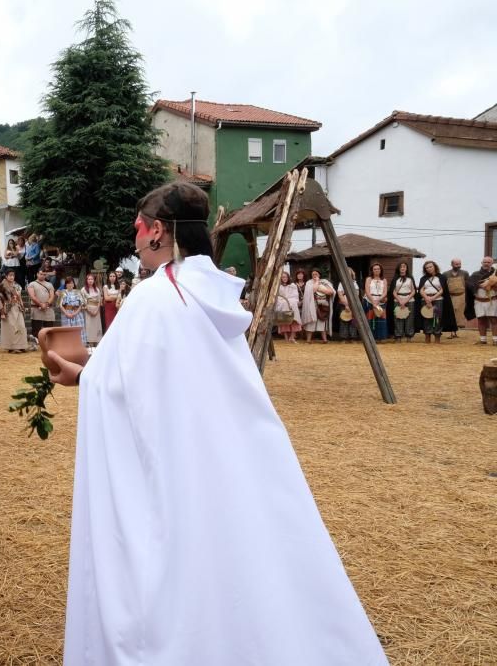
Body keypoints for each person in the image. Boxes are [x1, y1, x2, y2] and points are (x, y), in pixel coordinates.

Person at [44, 181, 387, 665]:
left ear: (158, 231)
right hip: (227, 458)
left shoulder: (153, 298)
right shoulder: (216, 295)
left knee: (177, 566)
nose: (135, 239)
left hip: (176, 466)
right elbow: (170, 379)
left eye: (138, 229)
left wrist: (82, 377)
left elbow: (125, 388)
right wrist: (94, 375)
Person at [417, 260, 455, 343]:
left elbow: (442, 290)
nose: (429, 269)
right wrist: (427, 298)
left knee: (437, 318)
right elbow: (421, 290)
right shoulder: (423, 278)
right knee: (427, 317)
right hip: (425, 300)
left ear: (434, 267)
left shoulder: (441, 277)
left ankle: (437, 336)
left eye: (430, 267)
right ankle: (427, 336)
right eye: (427, 268)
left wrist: (433, 298)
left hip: (438, 300)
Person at [0, 268, 28, 352]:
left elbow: (20, 297)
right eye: (10, 275)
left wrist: (22, 306)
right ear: (6, 276)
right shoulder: (1, 286)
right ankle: (11, 347)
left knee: (21, 326)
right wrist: (2, 311)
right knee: (10, 327)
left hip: (17, 307)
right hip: (7, 308)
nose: (11, 277)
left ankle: (21, 346)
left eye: (13, 275)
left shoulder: (17, 285)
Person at [468, 256, 496, 345]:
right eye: (485, 262)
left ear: (492, 264)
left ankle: (495, 340)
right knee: (481, 320)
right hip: (479, 300)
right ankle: (483, 340)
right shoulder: (475, 274)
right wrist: (480, 285)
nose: (486, 264)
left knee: (494, 320)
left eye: (488, 262)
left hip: (492, 300)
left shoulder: (495, 274)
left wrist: (491, 284)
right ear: (481, 263)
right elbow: (469, 285)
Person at [301, 268, 334, 343]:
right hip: (312, 305)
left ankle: (324, 339)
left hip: (323, 304)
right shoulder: (309, 282)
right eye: (313, 274)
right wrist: (316, 282)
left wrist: (320, 288)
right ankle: (308, 340)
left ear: (319, 274)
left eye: (316, 274)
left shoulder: (325, 282)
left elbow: (331, 292)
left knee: (322, 322)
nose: (314, 275)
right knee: (311, 322)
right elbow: (313, 290)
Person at [389, 261, 417, 342]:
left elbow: (413, 291)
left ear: (406, 268)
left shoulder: (410, 278)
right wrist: (400, 300)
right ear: (398, 269)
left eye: (404, 267)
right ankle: (398, 336)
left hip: (409, 300)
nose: (402, 268)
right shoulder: (395, 279)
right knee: (398, 317)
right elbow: (393, 291)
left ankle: (409, 336)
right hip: (398, 299)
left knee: (409, 318)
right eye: (401, 267)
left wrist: (406, 300)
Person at [444, 258, 472, 334]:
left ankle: (456, 331)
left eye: (459, 264)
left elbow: (467, 284)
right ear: (452, 264)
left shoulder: (465, 273)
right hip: (450, 296)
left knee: (459, 313)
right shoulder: (445, 274)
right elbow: (444, 286)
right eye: (456, 264)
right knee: (451, 313)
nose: (458, 266)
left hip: (461, 295)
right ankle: (452, 331)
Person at [27, 268, 56, 338]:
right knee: (36, 330)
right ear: (37, 274)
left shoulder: (49, 284)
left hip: (48, 309)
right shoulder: (32, 284)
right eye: (41, 274)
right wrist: (40, 304)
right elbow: (32, 296)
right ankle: (36, 345)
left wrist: (46, 304)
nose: (42, 276)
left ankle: (48, 344)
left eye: (44, 274)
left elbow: (52, 296)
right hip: (37, 309)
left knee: (49, 330)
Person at [363, 263, 388, 341]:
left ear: (381, 270)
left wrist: (379, 299)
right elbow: (367, 291)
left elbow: (385, 292)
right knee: (370, 319)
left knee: (381, 319)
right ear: (372, 270)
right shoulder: (369, 279)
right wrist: (373, 301)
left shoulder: (384, 280)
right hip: (369, 300)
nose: (377, 270)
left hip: (381, 301)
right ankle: (370, 338)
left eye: (378, 269)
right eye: (375, 269)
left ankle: (380, 338)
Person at [275, 270, 302, 342]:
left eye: (285, 277)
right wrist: (284, 301)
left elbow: (295, 296)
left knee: (294, 319)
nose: (284, 278)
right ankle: (286, 337)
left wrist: (289, 301)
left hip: (292, 304)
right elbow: (277, 297)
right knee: (284, 320)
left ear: (288, 277)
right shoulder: (278, 286)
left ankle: (292, 337)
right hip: (282, 304)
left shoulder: (293, 286)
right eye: (283, 277)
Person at [59, 275, 87, 344]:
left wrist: (75, 313)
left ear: (74, 284)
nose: (70, 285)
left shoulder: (78, 292)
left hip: (77, 314)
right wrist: (66, 313)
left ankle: (79, 345)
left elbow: (81, 304)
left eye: (71, 283)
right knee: (68, 331)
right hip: (66, 314)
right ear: (66, 284)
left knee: (78, 331)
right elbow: (60, 305)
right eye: (68, 283)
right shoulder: (62, 292)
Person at [338, 268, 360, 343]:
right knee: (344, 320)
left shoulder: (354, 283)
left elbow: (356, 294)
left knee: (353, 321)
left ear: (351, 274)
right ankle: (344, 338)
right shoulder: (341, 283)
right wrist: (346, 305)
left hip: (353, 305)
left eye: (349, 272)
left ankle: (353, 338)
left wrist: (351, 305)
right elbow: (340, 294)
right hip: (343, 304)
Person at [81, 273, 102, 346]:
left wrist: (96, 310)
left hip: (96, 311)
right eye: (89, 279)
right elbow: (83, 302)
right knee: (89, 327)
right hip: (88, 311)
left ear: (94, 280)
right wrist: (89, 311)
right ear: (86, 280)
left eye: (92, 279)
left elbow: (99, 300)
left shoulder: (97, 289)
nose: (90, 281)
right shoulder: (83, 290)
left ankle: (97, 343)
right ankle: (90, 344)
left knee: (97, 327)